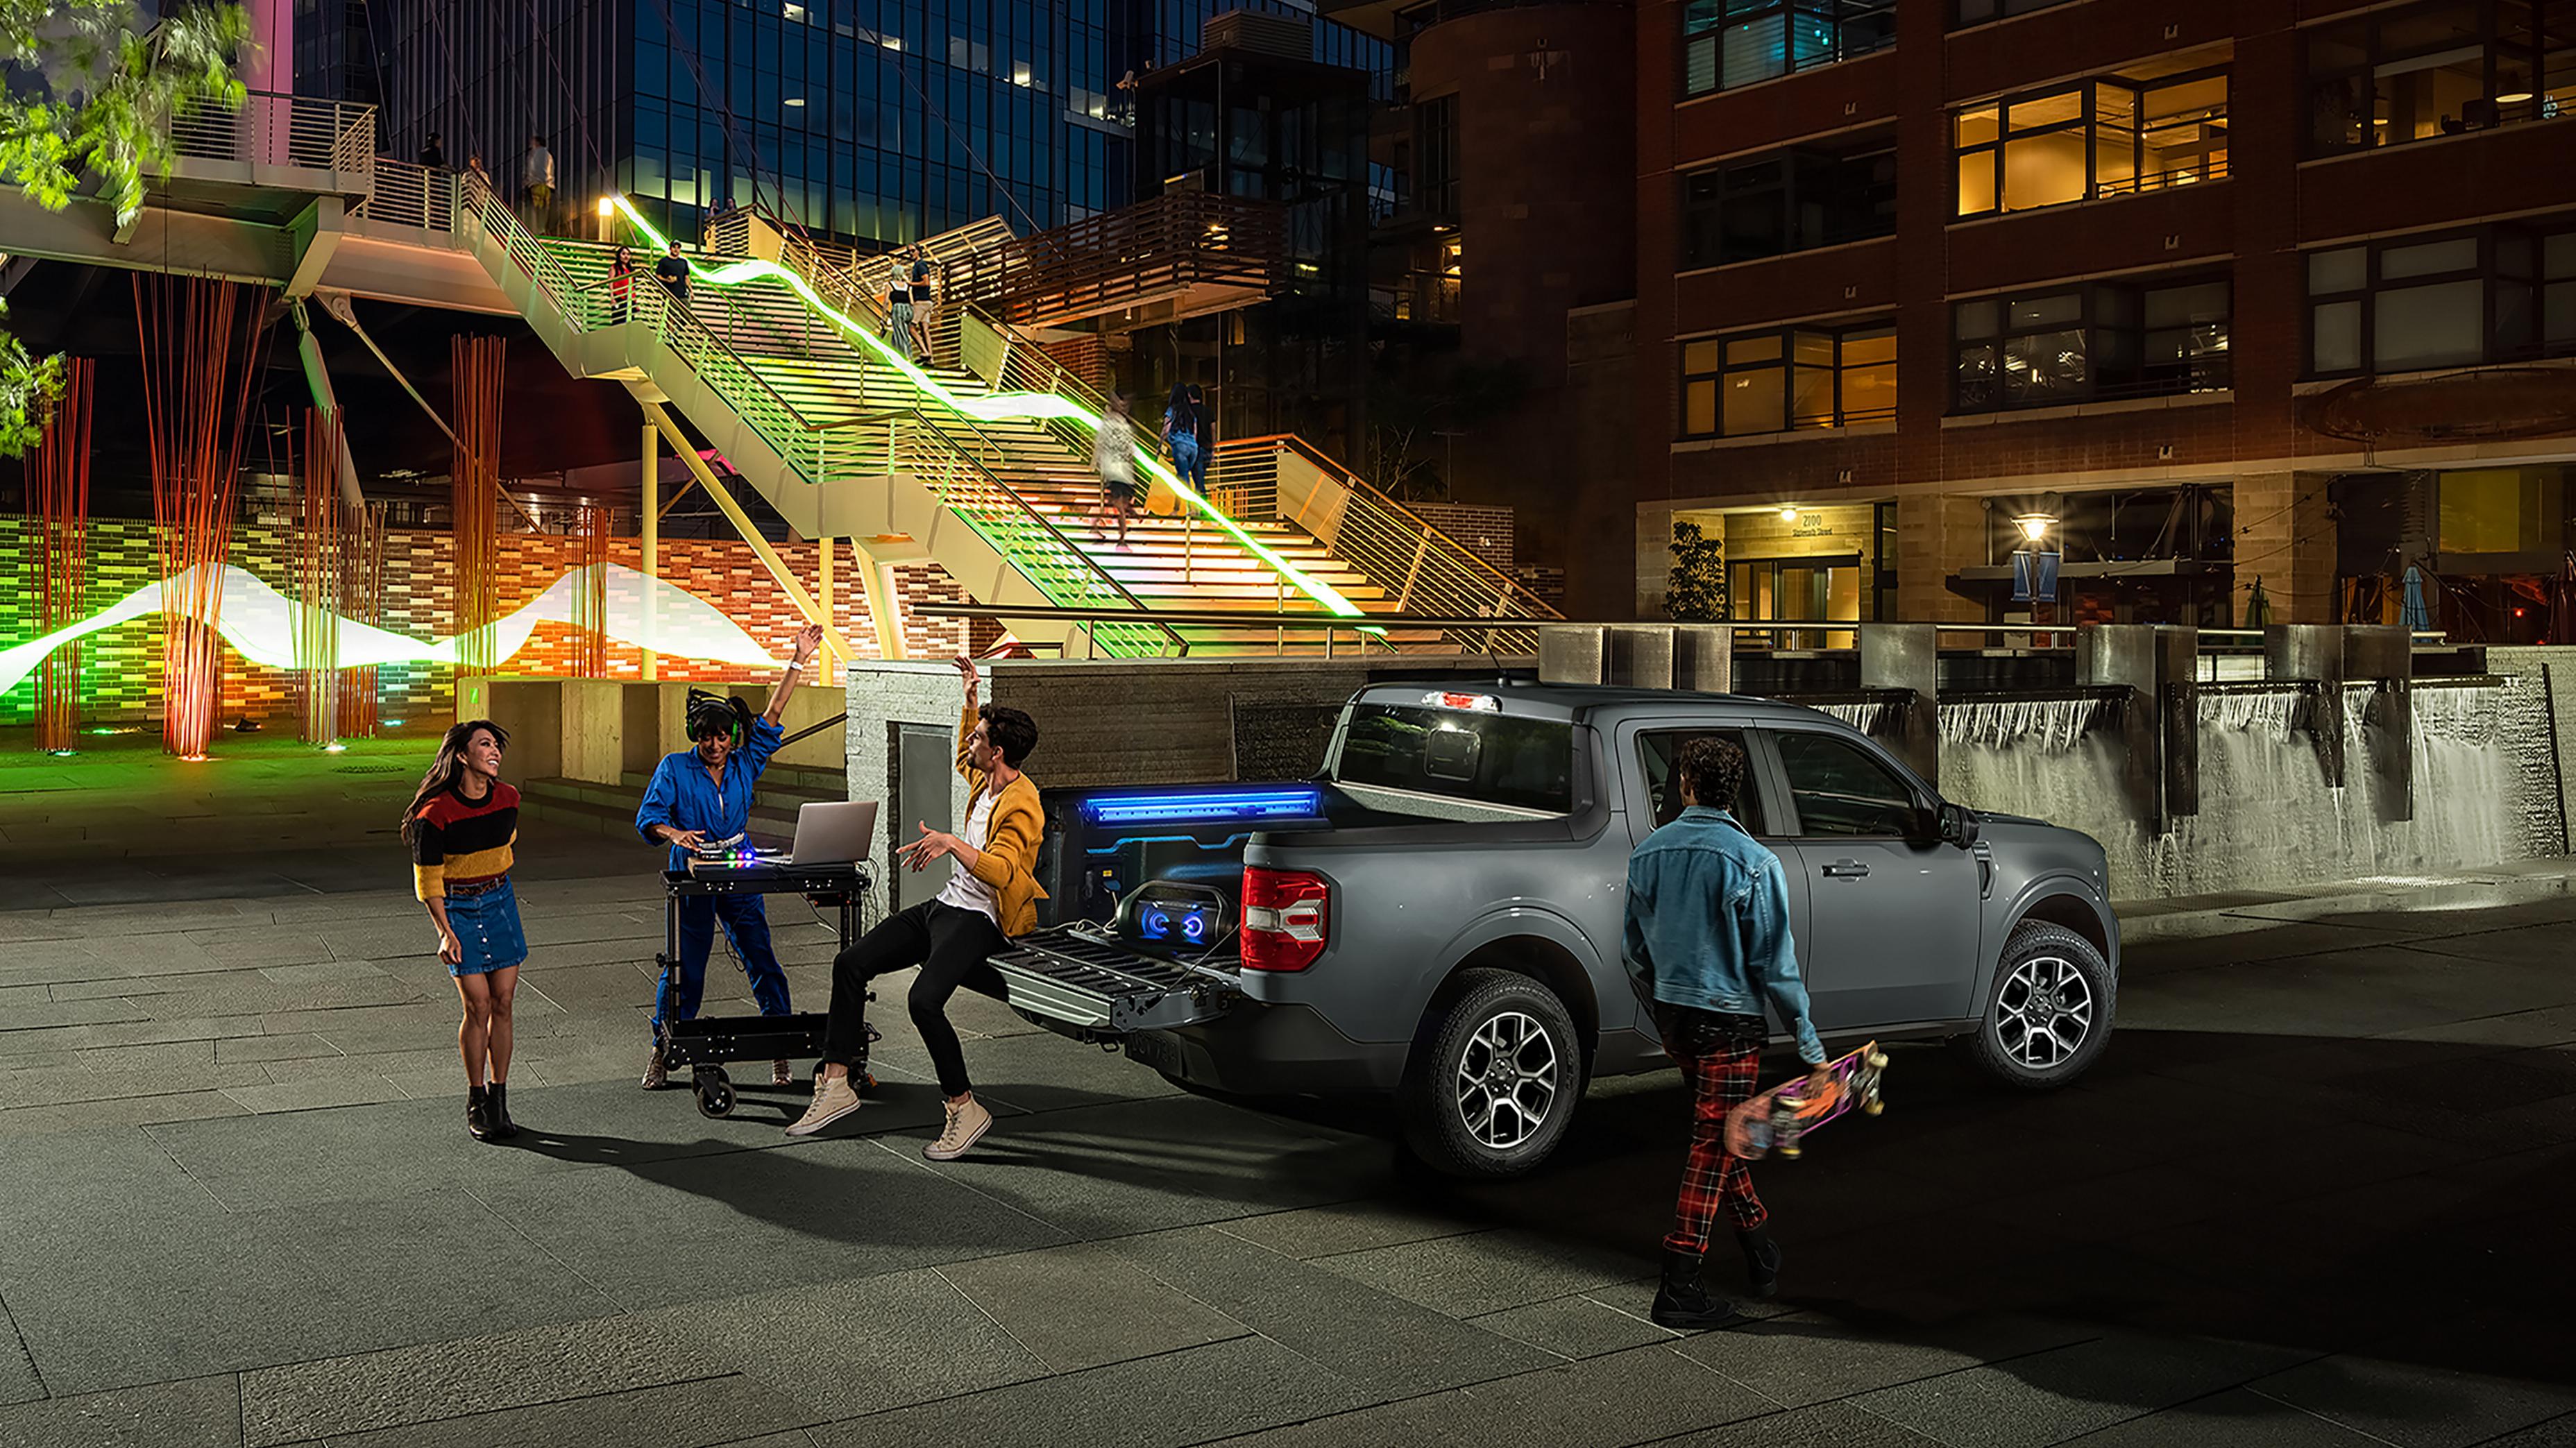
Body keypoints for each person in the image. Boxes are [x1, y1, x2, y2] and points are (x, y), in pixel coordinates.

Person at [789, 656, 1046, 1159]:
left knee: (923, 1001)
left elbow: (1006, 872)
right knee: (851, 964)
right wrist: (971, 698)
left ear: (997, 753)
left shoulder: (1023, 803)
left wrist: (952, 843)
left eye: (978, 738)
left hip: (984, 919)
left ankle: (964, 1106)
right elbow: (963, 756)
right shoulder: (986, 780)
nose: (968, 743)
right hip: (947, 906)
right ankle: (837, 1083)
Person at [1622, 735, 1828, 1331]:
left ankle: (1762, 1248)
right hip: (1730, 1023)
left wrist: (1662, 1011)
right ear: (1733, 790)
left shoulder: (1648, 854)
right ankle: (1679, 1286)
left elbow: (1634, 954)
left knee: (1723, 1132)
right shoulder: (1755, 862)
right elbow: (1776, 966)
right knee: (1713, 1147)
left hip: (1677, 1017)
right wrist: (1810, 1047)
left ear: (1685, 782)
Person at [635, 625, 824, 1090]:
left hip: (739, 864)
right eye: (707, 738)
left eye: (723, 736)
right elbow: (651, 816)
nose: (716, 745)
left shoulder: (745, 760)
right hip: (694, 871)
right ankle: (663, 1049)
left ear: (733, 736)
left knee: (762, 957)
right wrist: (675, 832)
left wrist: (798, 659)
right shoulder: (674, 767)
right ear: (695, 737)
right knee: (684, 967)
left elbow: (775, 710)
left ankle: (779, 1047)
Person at [405, 719, 526, 1143]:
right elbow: (428, 881)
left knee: (505, 1002)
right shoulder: (434, 813)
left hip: (500, 902)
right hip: (456, 906)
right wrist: (445, 930)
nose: (494, 752)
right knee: (478, 1005)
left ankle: (500, 1097)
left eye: (497, 745)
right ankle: (476, 1097)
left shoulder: (509, 797)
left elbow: (505, 844)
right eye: (484, 745)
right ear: (462, 755)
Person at [1092, 394, 1142, 544]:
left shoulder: (1117, 425)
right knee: (1118, 504)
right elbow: (1128, 449)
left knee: (1116, 503)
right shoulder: (1119, 425)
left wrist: (1096, 463)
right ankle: (1120, 534)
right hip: (1120, 470)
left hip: (1119, 470)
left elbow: (1102, 445)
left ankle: (1101, 528)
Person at [1163, 382, 1205, 495]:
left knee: (1184, 478)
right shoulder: (1191, 413)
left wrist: (1161, 443)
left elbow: (1166, 429)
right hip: (1193, 449)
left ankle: (1190, 507)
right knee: (1181, 476)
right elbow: (1195, 432)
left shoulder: (1172, 410)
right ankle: (1177, 508)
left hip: (1180, 447)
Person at [907, 249, 938, 360]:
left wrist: (910, 284)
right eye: (908, 251)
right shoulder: (918, 265)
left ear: (918, 251)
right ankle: (930, 358)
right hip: (927, 302)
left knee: (910, 328)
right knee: (925, 330)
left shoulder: (920, 265)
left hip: (921, 302)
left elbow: (926, 282)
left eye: (912, 251)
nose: (910, 253)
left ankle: (925, 352)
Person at [521, 133, 555, 232]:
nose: (530, 144)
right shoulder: (549, 155)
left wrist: (526, 182)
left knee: (535, 210)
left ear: (537, 143)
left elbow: (531, 170)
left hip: (536, 184)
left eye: (532, 142)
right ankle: (543, 229)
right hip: (548, 186)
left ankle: (536, 230)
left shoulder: (534, 154)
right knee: (544, 210)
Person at [884, 260, 917, 362]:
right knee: (898, 333)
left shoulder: (889, 285)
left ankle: (907, 357)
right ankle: (895, 356)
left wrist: (883, 316)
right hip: (909, 310)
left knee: (901, 334)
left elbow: (886, 302)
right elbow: (912, 302)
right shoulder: (907, 286)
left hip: (898, 310)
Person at [655, 239, 691, 307]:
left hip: (682, 294)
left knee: (686, 315)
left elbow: (687, 277)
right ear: (670, 248)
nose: (676, 250)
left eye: (678, 248)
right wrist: (667, 280)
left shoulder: (683, 262)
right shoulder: (664, 261)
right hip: (669, 294)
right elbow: (658, 275)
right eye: (674, 247)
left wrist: (691, 291)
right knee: (671, 315)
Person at [609, 245, 634, 323]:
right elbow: (610, 282)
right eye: (623, 254)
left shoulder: (630, 270)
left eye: (628, 254)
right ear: (619, 255)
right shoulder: (614, 268)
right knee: (619, 322)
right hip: (619, 298)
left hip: (630, 299)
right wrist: (612, 298)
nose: (626, 256)